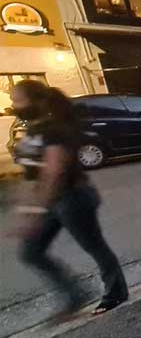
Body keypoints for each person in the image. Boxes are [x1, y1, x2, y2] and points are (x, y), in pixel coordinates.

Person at [10, 81, 128, 316]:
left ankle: (116, 292)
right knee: (31, 252)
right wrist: (26, 210)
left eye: (17, 100)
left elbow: (55, 171)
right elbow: (30, 174)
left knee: (94, 246)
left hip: (73, 198)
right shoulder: (32, 131)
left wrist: (35, 212)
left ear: (37, 101)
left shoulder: (55, 130)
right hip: (50, 202)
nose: (14, 106)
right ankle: (74, 294)